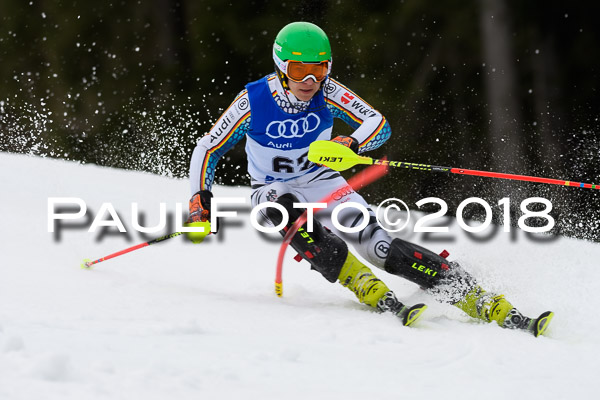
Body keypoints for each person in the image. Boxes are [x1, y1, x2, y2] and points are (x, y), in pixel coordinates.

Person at [186, 21, 553, 336]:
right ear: (282, 67)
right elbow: (208, 147)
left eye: (320, 69)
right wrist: (200, 200)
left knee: (379, 245)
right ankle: (356, 278)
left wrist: (351, 141)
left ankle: (478, 298)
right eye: (299, 71)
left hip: (323, 181)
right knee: (283, 209)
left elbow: (378, 123)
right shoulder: (253, 100)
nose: (311, 80)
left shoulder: (328, 92)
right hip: (271, 188)